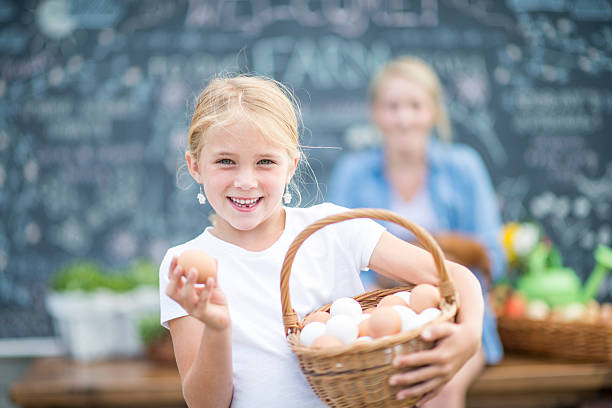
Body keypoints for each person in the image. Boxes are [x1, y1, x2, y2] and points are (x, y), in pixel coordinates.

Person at [159, 74, 485, 408]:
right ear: (195, 165)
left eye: (265, 162)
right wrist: (217, 327)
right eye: (225, 161)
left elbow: (454, 276)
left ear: (291, 166)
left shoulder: (332, 230)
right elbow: (205, 404)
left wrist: (470, 335)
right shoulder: (186, 263)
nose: (245, 181)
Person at [328, 56, 506, 408]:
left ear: (433, 112)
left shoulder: (464, 168)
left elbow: (493, 262)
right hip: (373, 321)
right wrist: (385, 306)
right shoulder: (352, 173)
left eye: (415, 106)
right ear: (376, 113)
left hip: (457, 317)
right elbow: (333, 259)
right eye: (393, 106)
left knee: (438, 385)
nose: (404, 118)